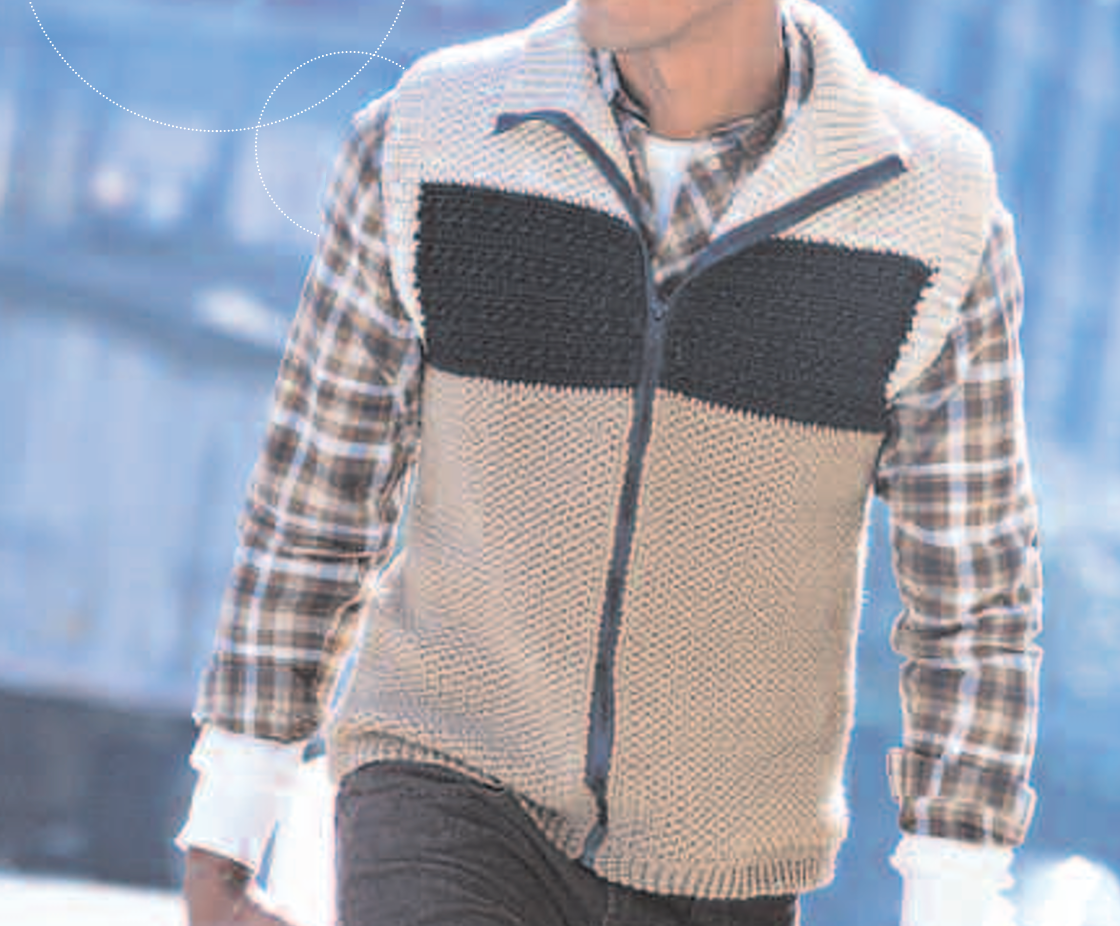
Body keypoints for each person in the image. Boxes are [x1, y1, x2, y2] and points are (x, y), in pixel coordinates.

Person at [177, 0, 1044, 924]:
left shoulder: (932, 205)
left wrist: (956, 897)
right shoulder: (430, 138)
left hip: (727, 861)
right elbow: (320, 488)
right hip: (443, 775)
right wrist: (230, 822)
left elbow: (973, 599)